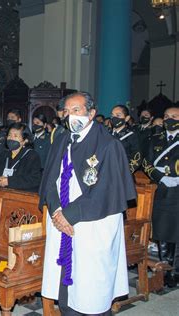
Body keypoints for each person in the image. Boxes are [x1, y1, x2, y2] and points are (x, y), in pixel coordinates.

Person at [39, 92, 136, 315]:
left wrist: (68, 215)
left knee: (91, 287)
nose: (71, 116)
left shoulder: (108, 145)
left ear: (91, 113)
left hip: (92, 223)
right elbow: (51, 178)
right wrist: (56, 210)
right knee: (65, 283)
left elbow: (105, 191)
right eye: (67, 111)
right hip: (62, 218)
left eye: (77, 110)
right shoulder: (62, 139)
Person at [142, 106, 179, 287]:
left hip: (178, 192)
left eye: (174, 116)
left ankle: (176, 273)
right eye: (166, 116)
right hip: (162, 191)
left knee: (177, 233)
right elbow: (146, 163)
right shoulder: (156, 138)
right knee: (163, 231)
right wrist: (161, 177)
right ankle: (164, 271)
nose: (169, 119)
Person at [0, 123, 41, 192]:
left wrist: (9, 181)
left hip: (22, 196)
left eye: (15, 136)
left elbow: (35, 180)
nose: (11, 138)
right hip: (3, 193)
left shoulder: (32, 155)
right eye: (9, 135)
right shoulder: (4, 154)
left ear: (25, 141)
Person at [110, 104, 141, 173]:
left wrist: (124, 172)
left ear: (126, 118)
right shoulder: (106, 133)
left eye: (118, 115)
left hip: (122, 173)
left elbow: (136, 158)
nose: (114, 118)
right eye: (112, 115)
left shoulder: (132, 136)